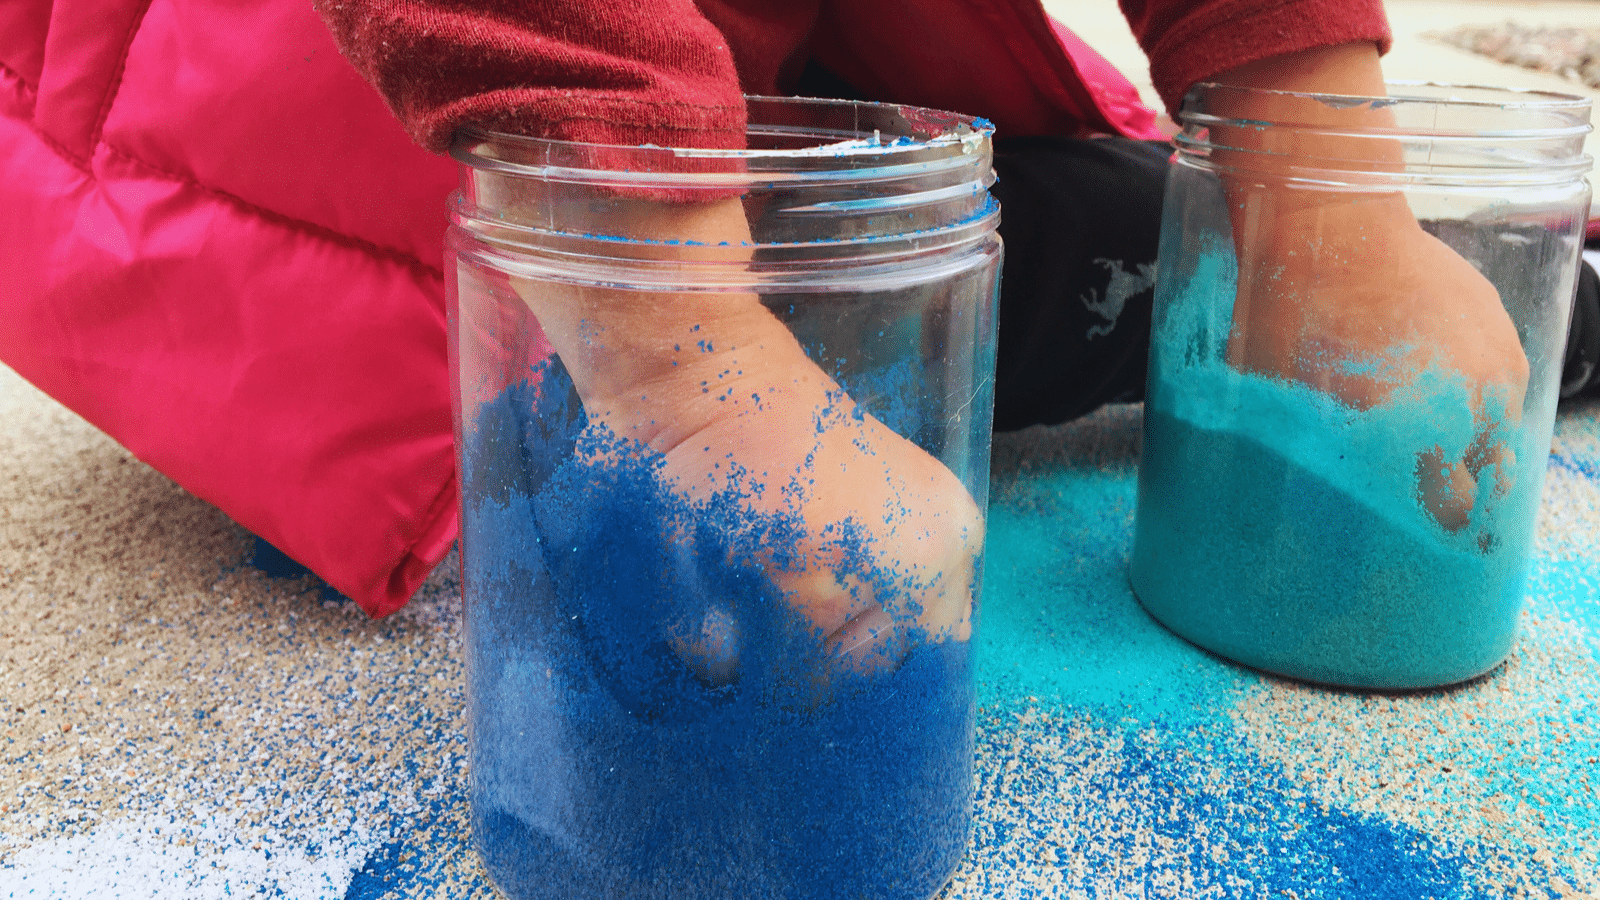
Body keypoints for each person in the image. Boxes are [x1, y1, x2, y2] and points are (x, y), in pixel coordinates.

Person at [0, 0, 1588, 622]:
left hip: (788, 68)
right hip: (358, 143)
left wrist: (1322, 164)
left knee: (1110, 227)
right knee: (681, 451)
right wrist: (684, 360)